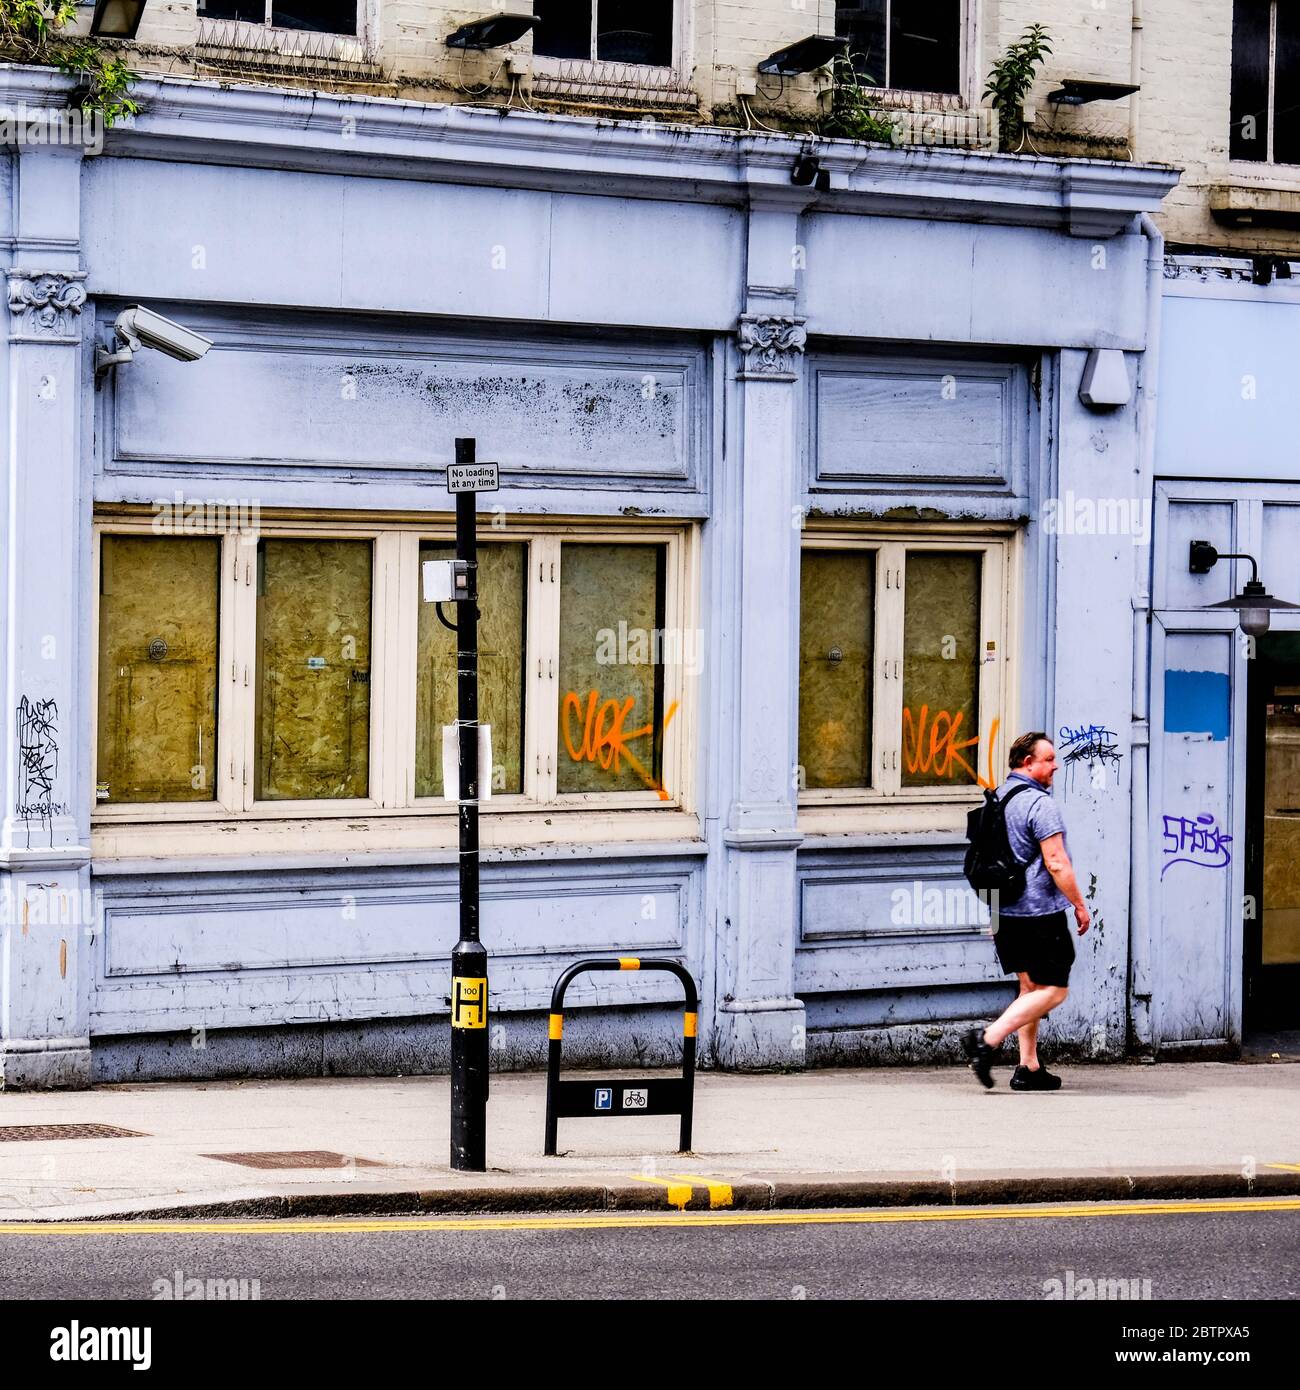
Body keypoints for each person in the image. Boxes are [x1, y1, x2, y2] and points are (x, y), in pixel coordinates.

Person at [963, 731, 1090, 1091]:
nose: (1055, 765)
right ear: (1026, 762)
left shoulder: (996, 799)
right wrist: (1079, 905)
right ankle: (986, 1040)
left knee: (1029, 987)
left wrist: (994, 912)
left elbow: (982, 860)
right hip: (1038, 914)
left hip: (1004, 912)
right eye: (1048, 759)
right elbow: (1056, 862)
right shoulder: (1039, 804)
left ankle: (1028, 1067)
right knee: (1055, 990)